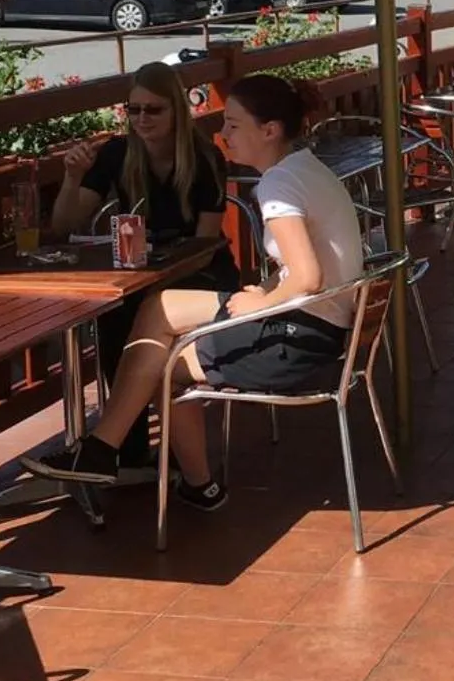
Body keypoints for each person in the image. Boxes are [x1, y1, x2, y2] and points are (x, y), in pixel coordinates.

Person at [33, 73, 367, 510]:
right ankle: (103, 451)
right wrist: (263, 290)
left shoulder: (278, 185)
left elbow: (307, 277)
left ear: (268, 130)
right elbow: (306, 266)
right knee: (159, 306)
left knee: (161, 364)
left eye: (232, 124)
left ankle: (168, 472)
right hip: (319, 323)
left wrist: (263, 303)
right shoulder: (304, 167)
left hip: (300, 339)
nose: (222, 133)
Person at [49, 62, 239, 468]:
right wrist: (72, 177)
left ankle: (119, 448)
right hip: (144, 271)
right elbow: (66, 223)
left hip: (202, 272)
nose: (141, 120)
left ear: (176, 110)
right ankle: (127, 450)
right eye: (133, 110)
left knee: (141, 310)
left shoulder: (204, 157)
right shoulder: (118, 153)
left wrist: (158, 270)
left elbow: (206, 244)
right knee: (115, 314)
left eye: (152, 110)